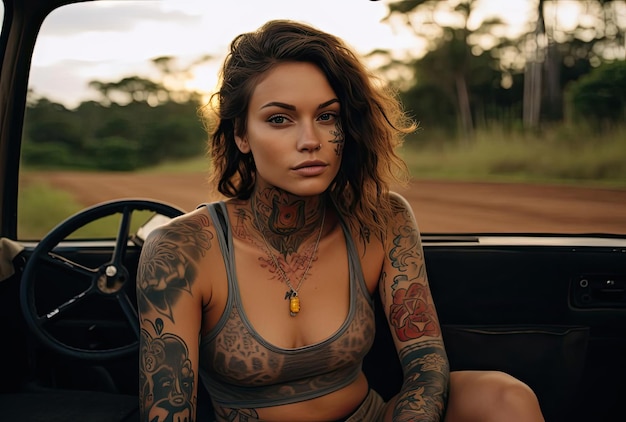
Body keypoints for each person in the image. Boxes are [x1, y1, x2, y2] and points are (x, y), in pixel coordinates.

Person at [136, 19, 545, 422]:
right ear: (242, 134)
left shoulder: (381, 219)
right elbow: (169, 413)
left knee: (505, 397)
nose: (310, 140)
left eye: (327, 116)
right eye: (280, 119)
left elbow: (425, 358)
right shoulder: (183, 249)